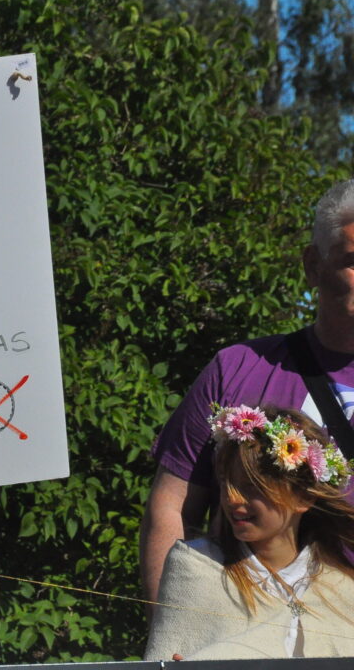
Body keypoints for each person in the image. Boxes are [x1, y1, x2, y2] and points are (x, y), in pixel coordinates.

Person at [140, 178, 354, 604]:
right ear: (313, 265)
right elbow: (172, 508)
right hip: (249, 622)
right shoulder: (238, 369)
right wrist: (171, 625)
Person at [145, 404, 354, 660]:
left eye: (251, 486)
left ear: (303, 497)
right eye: (226, 483)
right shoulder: (196, 566)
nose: (232, 499)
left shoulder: (341, 588)